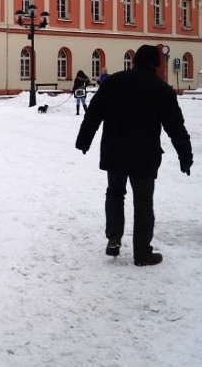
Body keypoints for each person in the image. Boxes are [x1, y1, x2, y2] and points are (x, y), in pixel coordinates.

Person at [75, 44, 193, 267]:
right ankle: (142, 253)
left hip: (115, 150)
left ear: (135, 60)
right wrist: (185, 156)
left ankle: (114, 238)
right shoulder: (162, 89)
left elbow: (94, 113)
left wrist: (84, 140)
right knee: (143, 203)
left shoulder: (114, 82)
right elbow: (176, 127)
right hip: (144, 155)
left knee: (115, 193)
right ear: (157, 63)